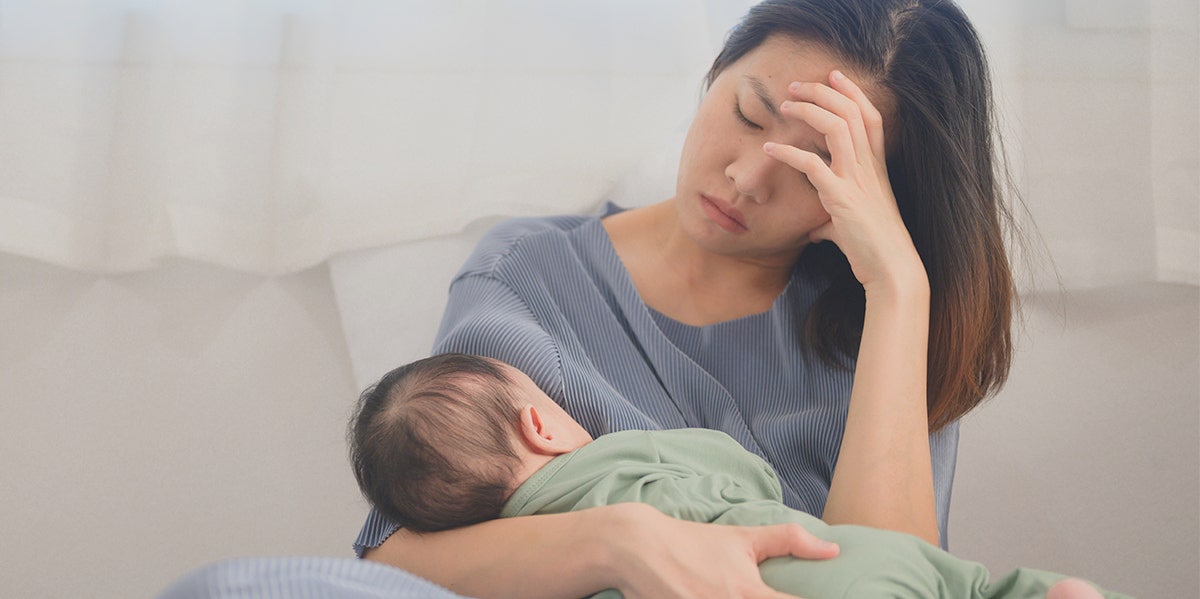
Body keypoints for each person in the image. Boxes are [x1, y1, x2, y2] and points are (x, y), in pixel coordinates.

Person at [356, 1, 1023, 597]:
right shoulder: (529, 279)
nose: (746, 178)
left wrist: (899, 288)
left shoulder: (882, 324)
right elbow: (401, 555)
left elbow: (896, 578)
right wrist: (623, 543)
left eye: (813, 169)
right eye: (748, 114)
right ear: (714, 71)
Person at [349, 353, 1127, 599]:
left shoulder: (526, 561)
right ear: (544, 423)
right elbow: (740, 468)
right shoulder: (632, 451)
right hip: (831, 557)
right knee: (961, 582)